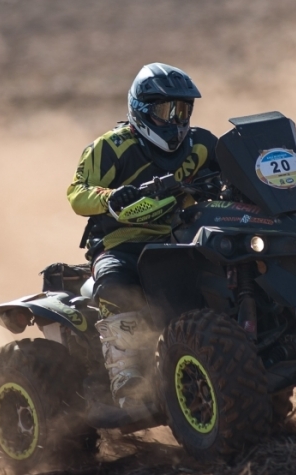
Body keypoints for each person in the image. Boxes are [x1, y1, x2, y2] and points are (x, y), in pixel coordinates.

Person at [67, 63, 218, 408]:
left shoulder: (202, 144)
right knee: (116, 281)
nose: (177, 119)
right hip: (124, 241)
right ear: (141, 109)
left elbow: (237, 168)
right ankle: (127, 376)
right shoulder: (110, 147)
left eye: (183, 110)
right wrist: (109, 197)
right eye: (167, 110)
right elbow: (77, 193)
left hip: (185, 234)